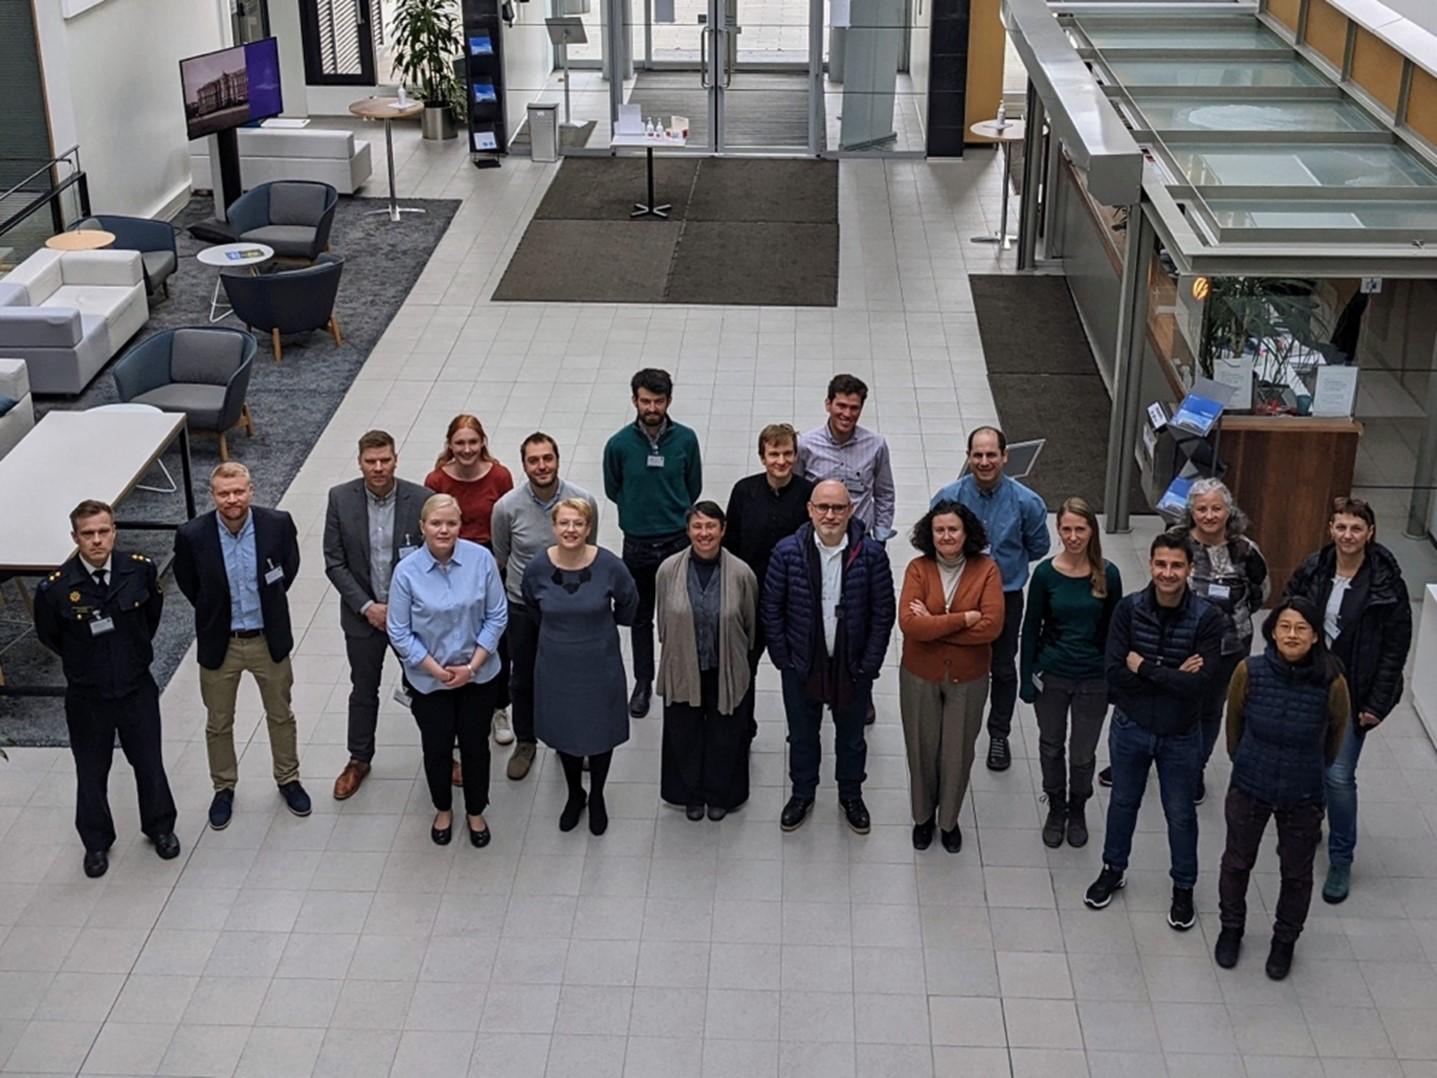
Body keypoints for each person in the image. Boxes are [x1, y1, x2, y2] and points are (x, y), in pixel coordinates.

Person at [1083, 532, 1224, 931]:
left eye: (1176, 566)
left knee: (1180, 815)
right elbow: (1113, 675)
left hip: (1181, 734)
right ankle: (1113, 869)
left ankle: (1183, 888)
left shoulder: (1207, 619)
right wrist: (1173, 675)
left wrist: (1143, 668)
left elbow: (1201, 685)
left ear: (1190, 570)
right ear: (1150, 565)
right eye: (1161, 564)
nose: (1167, 573)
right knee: (1122, 803)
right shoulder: (1128, 610)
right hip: (1131, 728)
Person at [34, 500, 178, 879]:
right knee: (91, 771)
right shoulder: (56, 588)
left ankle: (160, 827)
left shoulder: (140, 571)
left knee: (149, 764)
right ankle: (96, 843)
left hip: (135, 688)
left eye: (103, 531)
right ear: (75, 538)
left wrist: (130, 654)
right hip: (88, 696)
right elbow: (51, 636)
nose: (97, 540)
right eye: (88, 534)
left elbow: (150, 618)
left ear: (114, 531)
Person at [1283, 496, 1411, 905]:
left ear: (1370, 533)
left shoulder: (1386, 582)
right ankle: (1311, 824)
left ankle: (1341, 858)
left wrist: (1377, 703)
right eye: (1341, 527)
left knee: (1339, 776)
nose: (1348, 535)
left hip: (1354, 694)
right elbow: (1290, 617)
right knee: (1310, 764)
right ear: (1331, 530)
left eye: (1356, 528)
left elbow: (1395, 647)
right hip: (1309, 685)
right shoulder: (1314, 569)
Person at [1215, 598, 1350, 981]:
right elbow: (1234, 725)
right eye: (1285, 627)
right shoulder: (1249, 671)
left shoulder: (1333, 682)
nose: (1292, 635)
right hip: (1250, 784)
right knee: (1237, 862)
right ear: (1272, 631)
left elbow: (1335, 738)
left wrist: (1309, 769)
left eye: (1301, 628)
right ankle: (1232, 928)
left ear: (1315, 637)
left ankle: (1284, 940)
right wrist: (1245, 761)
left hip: (1303, 793)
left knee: (1296, 873)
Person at [174, 462, 310, 831]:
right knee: (218, 722)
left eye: (238, 491)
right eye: (223, 493)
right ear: (212, 495)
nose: (232, 499)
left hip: (268, 639)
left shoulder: (277, 525)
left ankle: (288, 778)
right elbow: (190, 584)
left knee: (281, 713)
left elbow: (288, 570)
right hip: (222, 643)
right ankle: (224, 787)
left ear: (251, 491)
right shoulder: (191, 535)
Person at [762, 479, 896, 835]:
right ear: (809, 510)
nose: (830, 515)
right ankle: (802, 794)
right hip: (802, 664)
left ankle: (851, 795)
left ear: (851, 510)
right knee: (803, 736)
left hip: (852, 667)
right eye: (823, 507)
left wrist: (870, 663)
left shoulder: (871, 555)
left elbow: (884, 613)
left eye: (838, 508)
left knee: (851, 738)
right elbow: (771, 609)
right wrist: (784, 660)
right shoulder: (787, 552)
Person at [386, 494, 508, 848]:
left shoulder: (481, 559)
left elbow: (497, 615)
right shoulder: (406, 572)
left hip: (478, 676)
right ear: (422, 527)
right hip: (428, 680)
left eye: (451, 523)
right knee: (436, 747)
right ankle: (442, 808)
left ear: (460, 526)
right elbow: (399, 630)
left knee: (475, 746)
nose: (443, 530)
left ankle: (475, 810)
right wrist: (436, 671)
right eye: (436, 523)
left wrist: (471, 667)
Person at [930, 426, 1050, 772]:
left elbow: (1038, 546)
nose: (984, 462)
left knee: (1001, 667)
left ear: (1005, 456)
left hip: (1005, 596)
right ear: (968, 456)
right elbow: (932, 538)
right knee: (951, 663)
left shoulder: (1027, 502)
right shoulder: (949, 498)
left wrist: (1002, 568)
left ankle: (999, 733)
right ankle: (947, 730)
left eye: (991, 455)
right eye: (977, 455)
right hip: (956, 594)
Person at [323, 430, 431, 800]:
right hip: (363, 617)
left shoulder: (421, 499)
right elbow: (334, 561)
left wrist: (398, 609)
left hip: (412, 618)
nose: (379, 467)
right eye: (371, 461)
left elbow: (432, 559)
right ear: (360, 462)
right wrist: (368, 607)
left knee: (425, 686)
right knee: (363, 689)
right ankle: (358, 759)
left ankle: (440, 754)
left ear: (396, 459)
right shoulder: (339, 499)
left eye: (385, 460)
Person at [522, 498, 640, 836]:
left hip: (598, 663)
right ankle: (575, 793)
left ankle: (598, 795)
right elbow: (531, 606)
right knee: (563, 731)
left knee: (601, 732)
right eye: (564, 523)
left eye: (578, 524)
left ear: (589, 528)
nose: (571, 530)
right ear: (554, 527)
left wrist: (607, 624)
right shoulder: (537, 568)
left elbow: (630, 603)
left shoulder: (610, 566)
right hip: (556, 665)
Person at [491, 432, 599, 781]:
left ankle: (570, 742)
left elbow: (589, 549)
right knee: (522, 677)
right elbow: (502, 556)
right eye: (534, 460)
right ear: (524, 465)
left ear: (557, 459)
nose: (542, 466)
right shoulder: (506, 507)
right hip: (523, 606)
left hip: (569, 606)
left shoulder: (582, 500)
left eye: (547, 458)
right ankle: (526, 741)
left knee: (571, 676)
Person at [898, 500, 1004, 853]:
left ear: (966, 532)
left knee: (957, 752)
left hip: (969, 676)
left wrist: (934, 622)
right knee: (921, 747)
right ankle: (923, 818)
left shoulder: (986, 569)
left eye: (953, 529)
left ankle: (948, 822)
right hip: (920, 674)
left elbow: (991, 627)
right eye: (939, 530)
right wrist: (962, 619)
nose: (946, 536)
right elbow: (910, 625)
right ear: (930, 534)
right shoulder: (917, 568)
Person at [1019, 497, 1122, 849]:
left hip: (1093, 679)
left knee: (1082, 753)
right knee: (1050, 745)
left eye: (1081, 529)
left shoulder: (1108, 574)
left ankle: (1077, 808)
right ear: (1058, 530)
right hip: (1052, 676)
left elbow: (1114, 632)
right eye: (1067, 529)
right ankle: (1056, 807)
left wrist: (1114, 681)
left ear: (1092, 530)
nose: (1074, 536)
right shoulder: (1045, 574)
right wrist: (1026, 679)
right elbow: (1030, 628)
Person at [602, 368, 703, 719]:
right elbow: (613, 488)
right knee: (640, 617)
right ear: (634, 401)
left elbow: (695, 486)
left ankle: (679, 679)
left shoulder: (686, 440)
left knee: (679, 616)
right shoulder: (618, 445)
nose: (652, 407)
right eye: (645, 401)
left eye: (658, 401)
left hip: (677, 542)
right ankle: (643, 682)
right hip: (638, 545)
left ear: (669, 401)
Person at [1166, 478, 1270, 805]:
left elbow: (1260, 593)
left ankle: (1194, 769)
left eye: (1216, 508)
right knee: (1170, 702)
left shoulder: (1246, 550)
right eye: (1201, 508)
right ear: (1191, 512)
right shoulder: (1175, 542)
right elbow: (1161, 584)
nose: (1209, 515)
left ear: (1229, 511)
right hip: (1177, 643)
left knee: (1209, 711)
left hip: (1227, 647)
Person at [656, 501, 759, 821]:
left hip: (725, 667)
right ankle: (689, 793)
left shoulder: (742, 573)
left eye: (711, 526)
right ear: (687, 530)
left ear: (723, 530)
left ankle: (721, 794)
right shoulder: (668, 570)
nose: (704, 533)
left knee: (725, 733)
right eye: (697, 527)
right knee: (683, 732)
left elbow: (750, 625)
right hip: (684, 665)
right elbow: (663, 620)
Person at [425, 414, 515, 747]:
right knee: (454, 631)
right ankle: (458, 701)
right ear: (449, 444)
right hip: (450, 562)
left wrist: (499, 560)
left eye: (473, 442)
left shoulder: (500, 475)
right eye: (460, 443)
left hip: (492, 561)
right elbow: (434, 528)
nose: (466, 449)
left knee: (495, 636)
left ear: (483, 443)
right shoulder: (436, 480)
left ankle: (498, 706)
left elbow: (508, 520)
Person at [723, 423, 815, 673]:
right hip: (750, 594)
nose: (781, 460)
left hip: (793, 597)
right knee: (744, 664)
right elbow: (730, 544)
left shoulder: (810, 494)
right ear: (762, 457)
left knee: (796, 666)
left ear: (796, 456)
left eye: (787, 453)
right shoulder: (744, 491)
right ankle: (743, 714)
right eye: (774, 454)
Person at [797, 374, 896, 540]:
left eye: (854, 408)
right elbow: (796, 493)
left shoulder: (876, 445)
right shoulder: (805, 445)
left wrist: (880, 535)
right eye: (841, 406)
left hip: (861, 538)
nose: (847, 414)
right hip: (818, 537)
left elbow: (884, 494)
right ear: (828, 405)